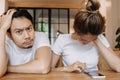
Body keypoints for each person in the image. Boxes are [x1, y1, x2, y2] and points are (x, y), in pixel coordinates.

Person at [51, 0, 120, 73]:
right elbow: (48, 69)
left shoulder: (99, 38)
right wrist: (67, 68)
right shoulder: (62, 39)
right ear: (75, 31)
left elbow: (118, 67)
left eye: (90, 40)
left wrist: (96, 40)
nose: (85, 42)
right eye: (82, 38)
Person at [0, 9, 51, 77]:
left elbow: (43, 67)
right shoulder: (4, 42)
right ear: (9, 35)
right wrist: (2, 29)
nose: (27, 36)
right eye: (19, 31)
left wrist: (7, 68)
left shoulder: (40, 36)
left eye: (29, 29)